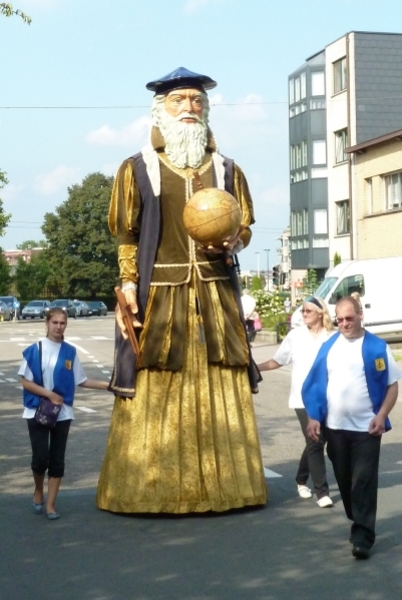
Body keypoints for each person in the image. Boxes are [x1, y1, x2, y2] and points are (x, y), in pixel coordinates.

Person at [96, 67, 267, 514]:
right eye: (179, 100)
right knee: (156, 377)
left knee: (223, 372)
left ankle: (230, 486)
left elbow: (244, 226)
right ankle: (148, 490)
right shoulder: (137, 168)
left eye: (196, 100)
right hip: (161, 294)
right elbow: (127, 235)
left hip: (215, 293)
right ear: (160, 109)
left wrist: (236, 238)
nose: (189, 107)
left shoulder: (227, 169)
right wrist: (128, 283)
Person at [303, 296, 401, 559]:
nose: (344, 323)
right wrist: (314, 417)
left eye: (349, 318)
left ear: (360, 315)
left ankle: (363, 538)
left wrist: (382, 415)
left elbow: (393, 385)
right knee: (346, 480)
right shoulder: (329, 346)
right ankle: (357, 517)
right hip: (335, 428)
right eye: (340, 319)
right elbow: (314, 384)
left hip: (367, 429)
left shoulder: (376, 347)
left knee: (363, 482)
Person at [19, 307, 110, 520]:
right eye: (55, 323)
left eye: (62, 323)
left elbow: (82, 380)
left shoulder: (70, 352)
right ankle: (38, 489)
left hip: (62, 412)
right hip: (37, 410)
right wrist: (49, 394)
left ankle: (51, 505)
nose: (59, 327)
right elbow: (25, 381)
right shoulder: (36, 349)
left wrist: (109, 386)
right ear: (47, 323)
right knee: (40, 458)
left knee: (57, 460)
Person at [257, 296, 335, 507]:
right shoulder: (295, 336)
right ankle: (322, 493)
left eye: (309, 310)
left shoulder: (332, 336)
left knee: (317, 441)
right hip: (302, 398)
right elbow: (278, 360)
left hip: (328, 397)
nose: (304, 314)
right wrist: (255, 368)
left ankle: (301, 479)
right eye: (303, 311)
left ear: (321, 312)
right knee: (316, 440)